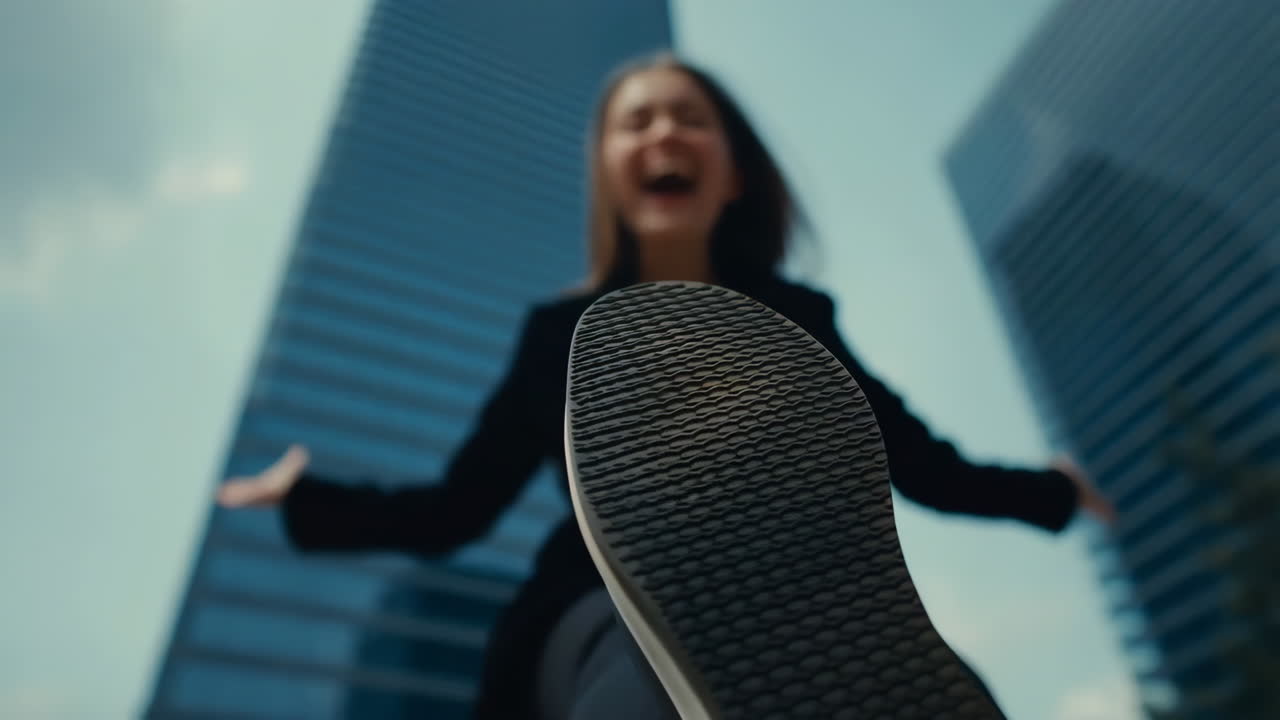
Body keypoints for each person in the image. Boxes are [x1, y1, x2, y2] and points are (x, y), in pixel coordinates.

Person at [218, 52, 1116, 719]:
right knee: (640, 679)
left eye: (689, 119)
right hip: (597, 606)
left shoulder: (795, 317)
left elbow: (918, 463)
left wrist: (1052, 491)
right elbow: (456, 507)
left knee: (959, 694)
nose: (663, 135)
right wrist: (309, 499)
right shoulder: (554, 336)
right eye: (636, 122)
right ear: (609, 174)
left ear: (731, 171)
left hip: (804, 601)